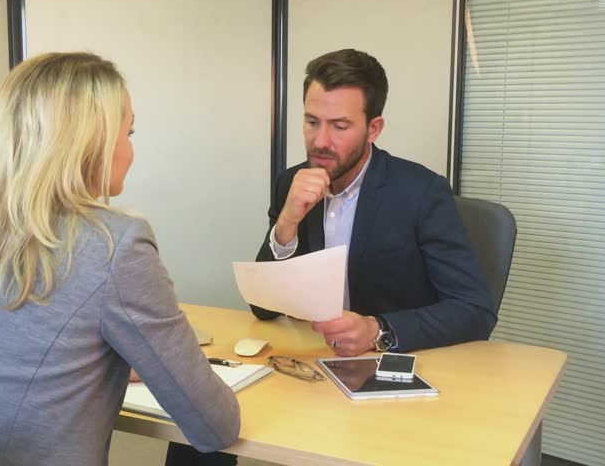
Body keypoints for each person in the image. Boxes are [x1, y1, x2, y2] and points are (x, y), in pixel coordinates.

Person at [0, 52, 240, 466]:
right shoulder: (115, 246)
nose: (131, 151)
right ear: (92, 142)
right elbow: (215, 426)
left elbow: (16, 353)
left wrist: (101, 365)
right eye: (128, 133)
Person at [166, 48, 495, 465]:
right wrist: (285, 224)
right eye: (311, 122)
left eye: (340, 126)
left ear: (373, 128)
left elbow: (475, 310)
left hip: (385, 373)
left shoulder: (421, 192)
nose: (320, 141)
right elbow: (263, 307)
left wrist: (378, 329)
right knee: (200, 424)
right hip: (309, 365)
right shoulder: (292, 181)